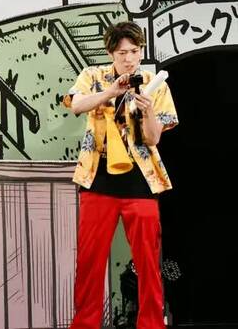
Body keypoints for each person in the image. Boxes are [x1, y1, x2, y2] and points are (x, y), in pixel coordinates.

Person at [63, 21, 178, 329]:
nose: (129, 59)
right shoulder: (92, 76)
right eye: (122, 52)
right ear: (111, 53)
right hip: (98, 179)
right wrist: (111, 92)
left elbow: (153, 138)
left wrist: (148, 110)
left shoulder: (154, 83)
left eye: (134, 51)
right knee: (90, 260)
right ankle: (85, 324)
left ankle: (151, 323)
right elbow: (76, 105)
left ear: (141, 52)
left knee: (148, 262)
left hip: (140, 181)